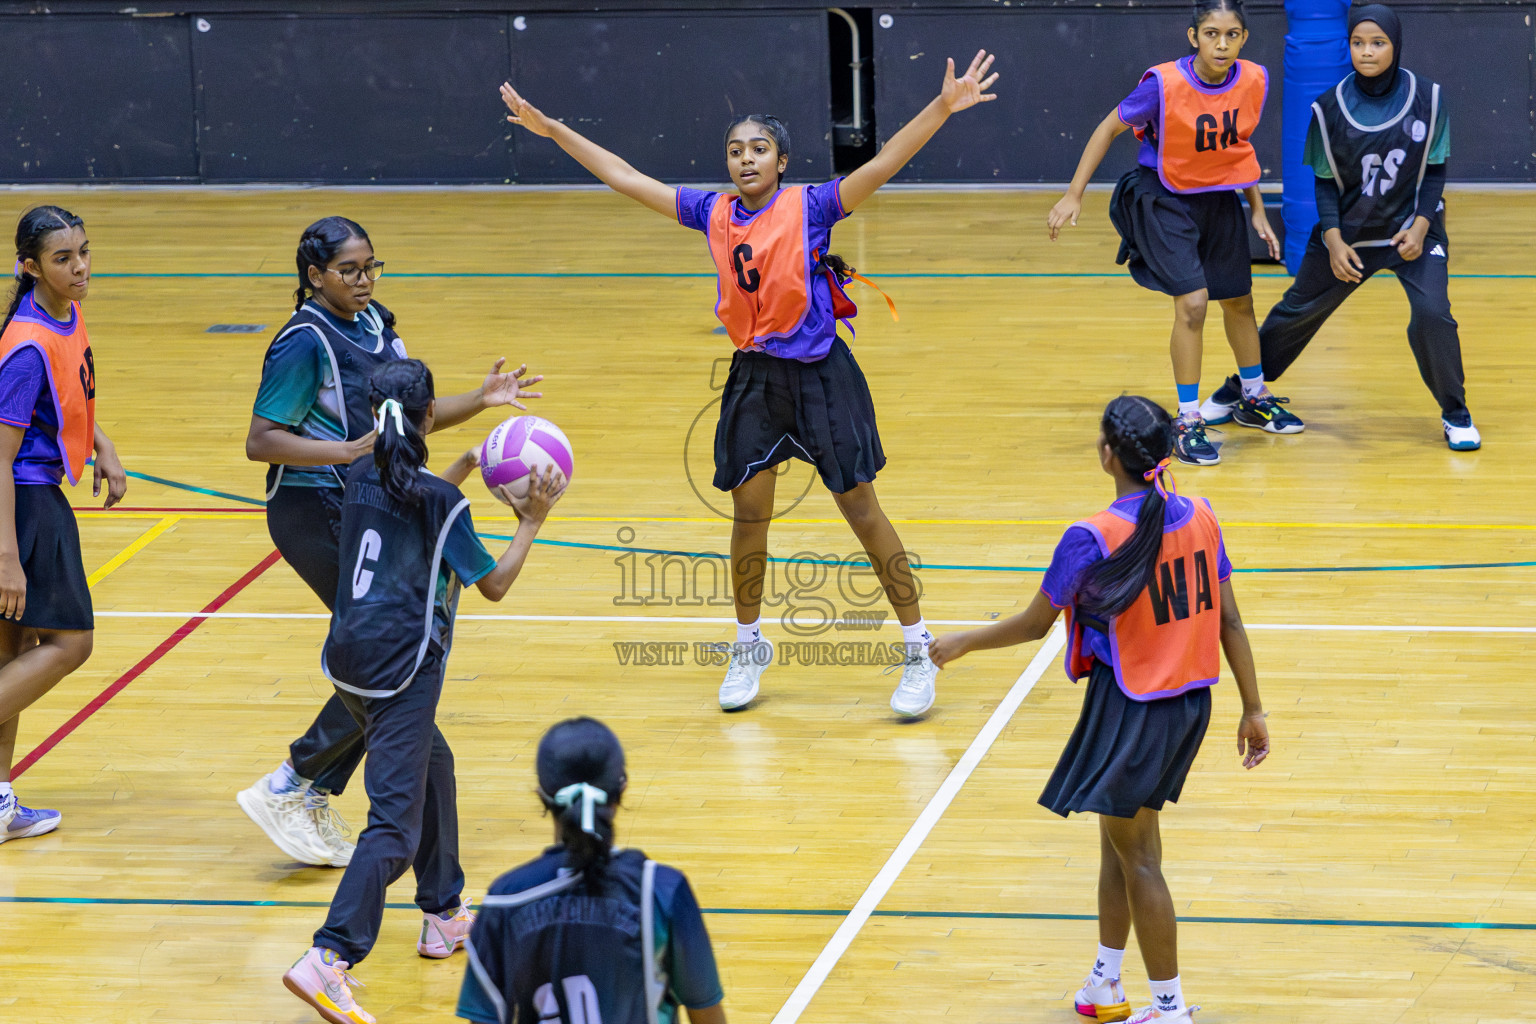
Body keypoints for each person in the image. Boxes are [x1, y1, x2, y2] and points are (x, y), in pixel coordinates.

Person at [498, 50, 1000, 717]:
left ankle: (916, 646)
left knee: (863, 513)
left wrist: (942, 106)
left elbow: (882, 165)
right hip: (756, 378)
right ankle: (747, 643)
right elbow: (623, 176)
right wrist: (554, 129)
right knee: (748, 516)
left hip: (821, 376)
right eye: (735, 150)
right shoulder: (710, 211)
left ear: (782, 161)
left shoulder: (813, 206)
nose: (745, 159)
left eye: (759, 149)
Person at [928, 395, 1270, 1024]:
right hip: (1187, 703)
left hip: (1132, 708)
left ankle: (1169, 1012)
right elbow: (1232, 620)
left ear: (1109, 455)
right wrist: (1254, 708)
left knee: (1140, 857)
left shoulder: (1091, 537)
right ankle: (1106, 985)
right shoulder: (1200, 515)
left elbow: (1035, 625)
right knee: (1119, 844)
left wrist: (963, 642)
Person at [238, 216, 544, 868]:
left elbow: (414, 412)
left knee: (382, 654)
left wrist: (484, 400)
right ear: (315, 276)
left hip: (370, 500)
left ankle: (303, 786)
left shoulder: (379, 326)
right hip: (310, 507)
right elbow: (261, 440)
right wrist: (344, 450)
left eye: (372, 266)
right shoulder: (304, 341)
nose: (365, 280)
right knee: (382, 653)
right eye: (350, 271)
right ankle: (294, 783)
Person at [283, 359, 566, 1024]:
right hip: (401, 673)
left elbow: (416, 492)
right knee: (393, 830)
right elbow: (492, 584)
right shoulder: (441, 503)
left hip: (348, 662)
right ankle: (330, 957)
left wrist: (469, 459)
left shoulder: (358, 476)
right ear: (430, 415)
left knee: (435, 765)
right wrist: (531, 520)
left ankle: (443, 914)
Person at [1199, 3, 1479, 451]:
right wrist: (1331, 237)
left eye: (1377, 43)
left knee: (1433, 316)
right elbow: (1324, 184)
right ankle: (1243, 388)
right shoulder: (1328, 108)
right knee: (1296, 313)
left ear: (1395, 45)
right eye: (1357, 43)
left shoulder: (1429, 97)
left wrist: (1424, 225)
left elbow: (1436, 171)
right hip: (1348, 238)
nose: (1366, 52)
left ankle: (1456, 413)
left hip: (1412, 235)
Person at [1048, 0, 1298, 467]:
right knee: (1193, 303)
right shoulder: (1163, 85)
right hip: (1164, 199)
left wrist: (1258, 209)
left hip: (1219, 198)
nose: (1221, 44)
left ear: (1243, 38)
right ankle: (1187, 418)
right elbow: (1107, 129)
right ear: (1193, 36)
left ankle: (1253, 395)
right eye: (1210, 33)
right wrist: (1073, 195)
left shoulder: (1251, 79)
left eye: (1231, 34)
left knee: (1239, 301)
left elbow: (1237, 151)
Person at [457, 716, 725, 1024]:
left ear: (542, 795)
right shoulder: (661, 888)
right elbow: (707, 1015)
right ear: (621, 788)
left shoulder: (505, 899)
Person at [0, 206, 128, 844]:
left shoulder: (64, 314)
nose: (78, 267)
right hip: (24, 502)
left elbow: (69, 391)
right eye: (61, 258)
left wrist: (99, 441)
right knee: (70, 642)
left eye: (83, 252)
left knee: (13, 652)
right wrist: (7, 557)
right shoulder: (24, 347)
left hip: (37, 492)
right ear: (30, 267)